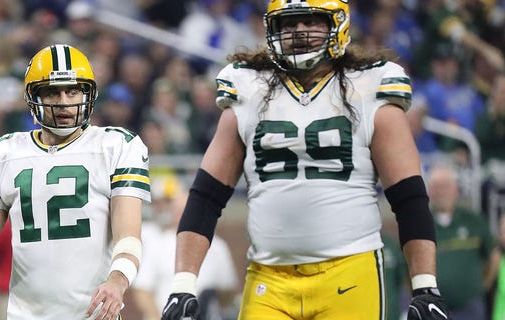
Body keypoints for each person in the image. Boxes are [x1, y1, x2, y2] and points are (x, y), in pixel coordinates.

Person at [161, 1, 451, 319]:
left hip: (349, 272)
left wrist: (425, 287)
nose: (299, 31)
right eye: (289, 24)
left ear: (336, 26)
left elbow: (409, 197)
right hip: (268, 277)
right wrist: (183, 284)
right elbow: (206, 196)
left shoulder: (369, 87)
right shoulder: (249, 90)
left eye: (311, 21)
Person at [0, 44, 150, 320]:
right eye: (52, 91)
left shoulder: (117, 145)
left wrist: (117, 282)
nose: (64, 101)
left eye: (72, 90)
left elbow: (129, 235)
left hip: (94, 315)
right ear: (33, 96)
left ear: (87, 93)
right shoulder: (4, 153)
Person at [132, 175, 238, 320]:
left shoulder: (217, 246)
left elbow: (227, 290)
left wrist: (211, 302)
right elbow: (142, 289)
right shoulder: (158, 242)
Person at [427, 164, 495, 320]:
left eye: (446, 186)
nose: (441, 192)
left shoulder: (475, 221)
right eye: (436, 186)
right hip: (433, 309)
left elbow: (493, 257)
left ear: (456, 190)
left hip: (470, 307)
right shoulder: (421, 224)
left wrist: (481, 287)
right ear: (429, 191)